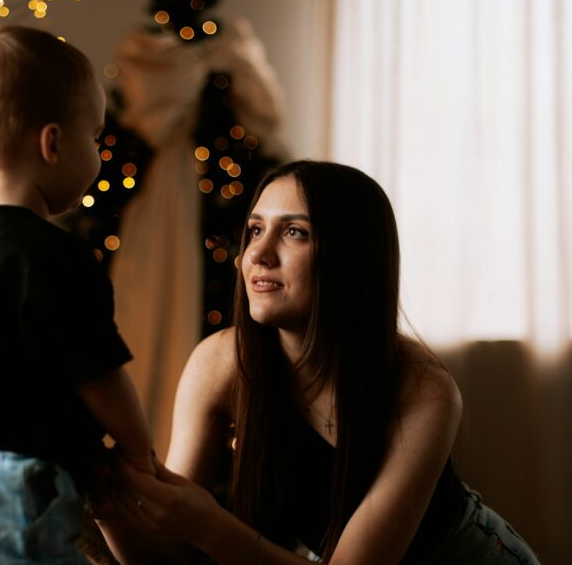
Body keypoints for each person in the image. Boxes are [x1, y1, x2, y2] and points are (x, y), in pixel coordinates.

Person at [97, 160, 540, 564]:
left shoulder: (424, 389)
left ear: (351, 257)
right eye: (255, 230)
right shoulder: (219, 364)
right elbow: (165, 557)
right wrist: (103, 500)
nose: (258, 254)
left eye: (295, 232)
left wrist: (211, 526)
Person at [0, 25, 155, 565]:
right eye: (94, 137)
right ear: (53, 144)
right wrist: (139, 449)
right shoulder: (56, 257)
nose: (99, 152)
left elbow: (21, 374)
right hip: (3, 477)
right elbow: (99, 375)